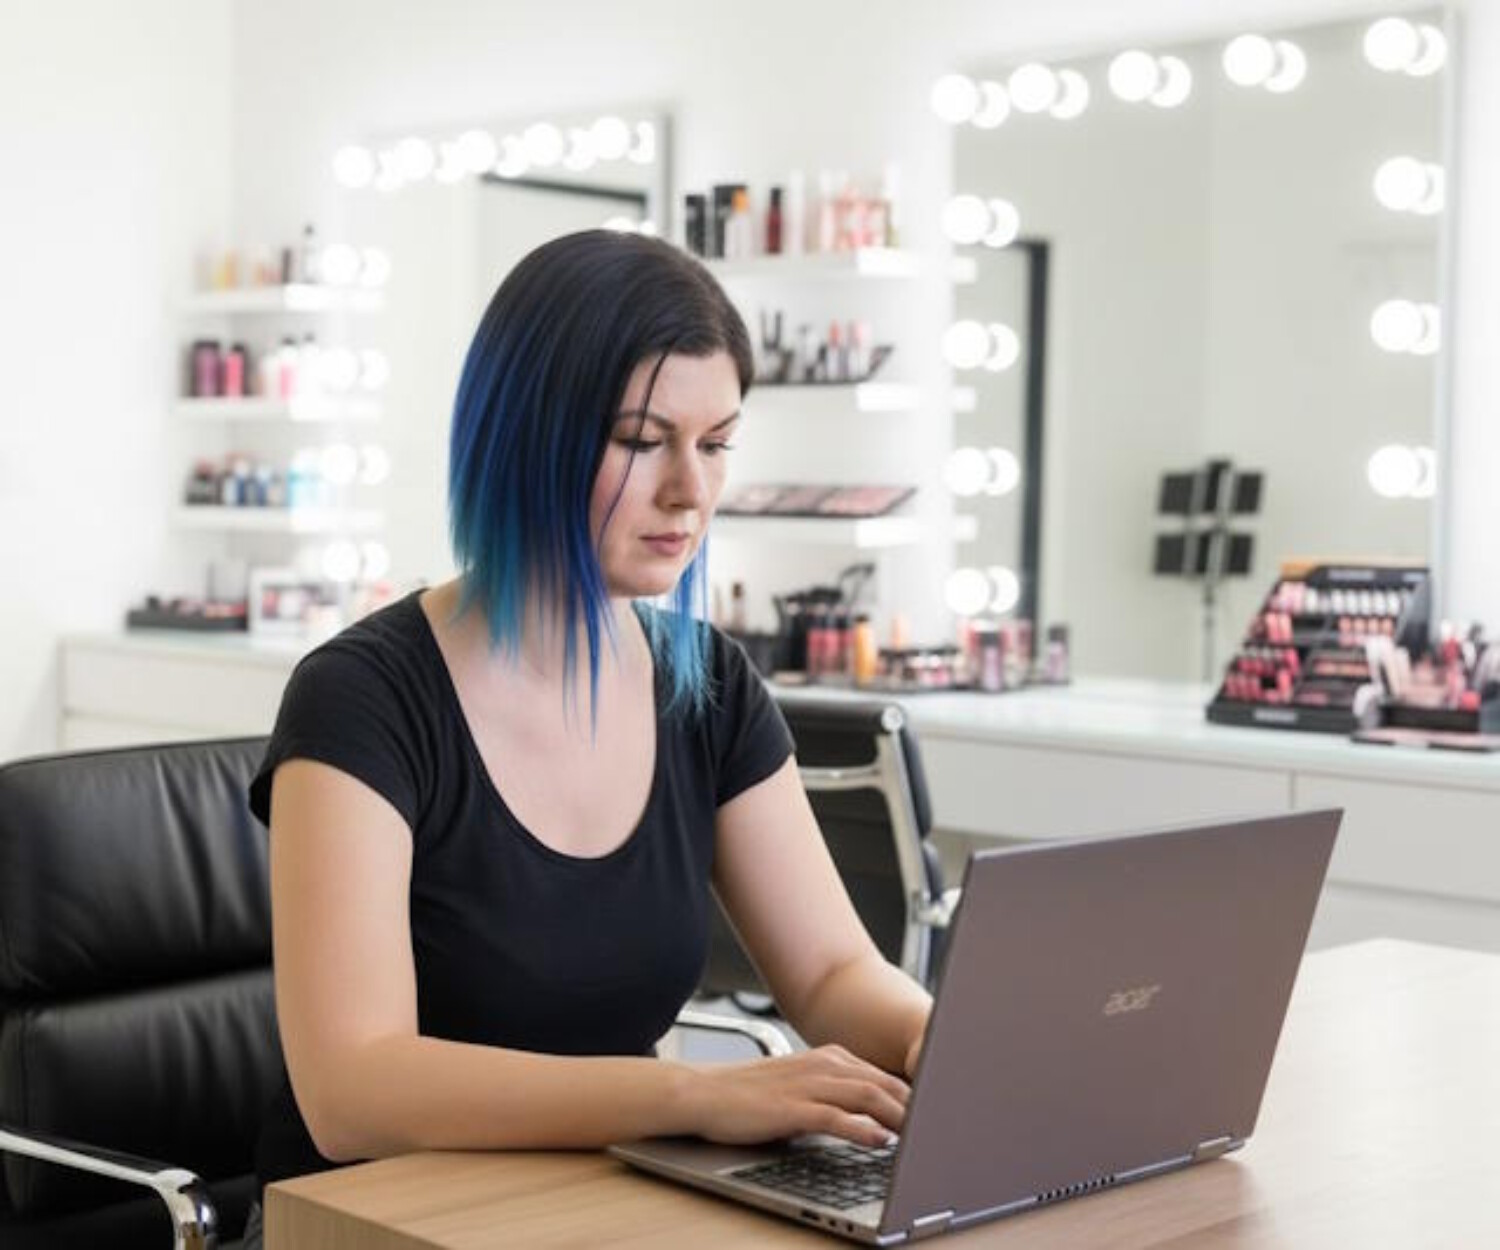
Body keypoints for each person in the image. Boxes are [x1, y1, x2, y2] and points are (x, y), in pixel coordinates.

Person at [240, 229, 931, 1246]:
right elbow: (355, 1085)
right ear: (527, 435)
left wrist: (946, 1039)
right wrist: (692, 1096)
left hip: (600, 1205)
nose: (690, 490)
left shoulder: (709, 686)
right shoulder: (360, 700)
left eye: (717, 442)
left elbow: (830, 971)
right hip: (376, 1220)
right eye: (643, 440)